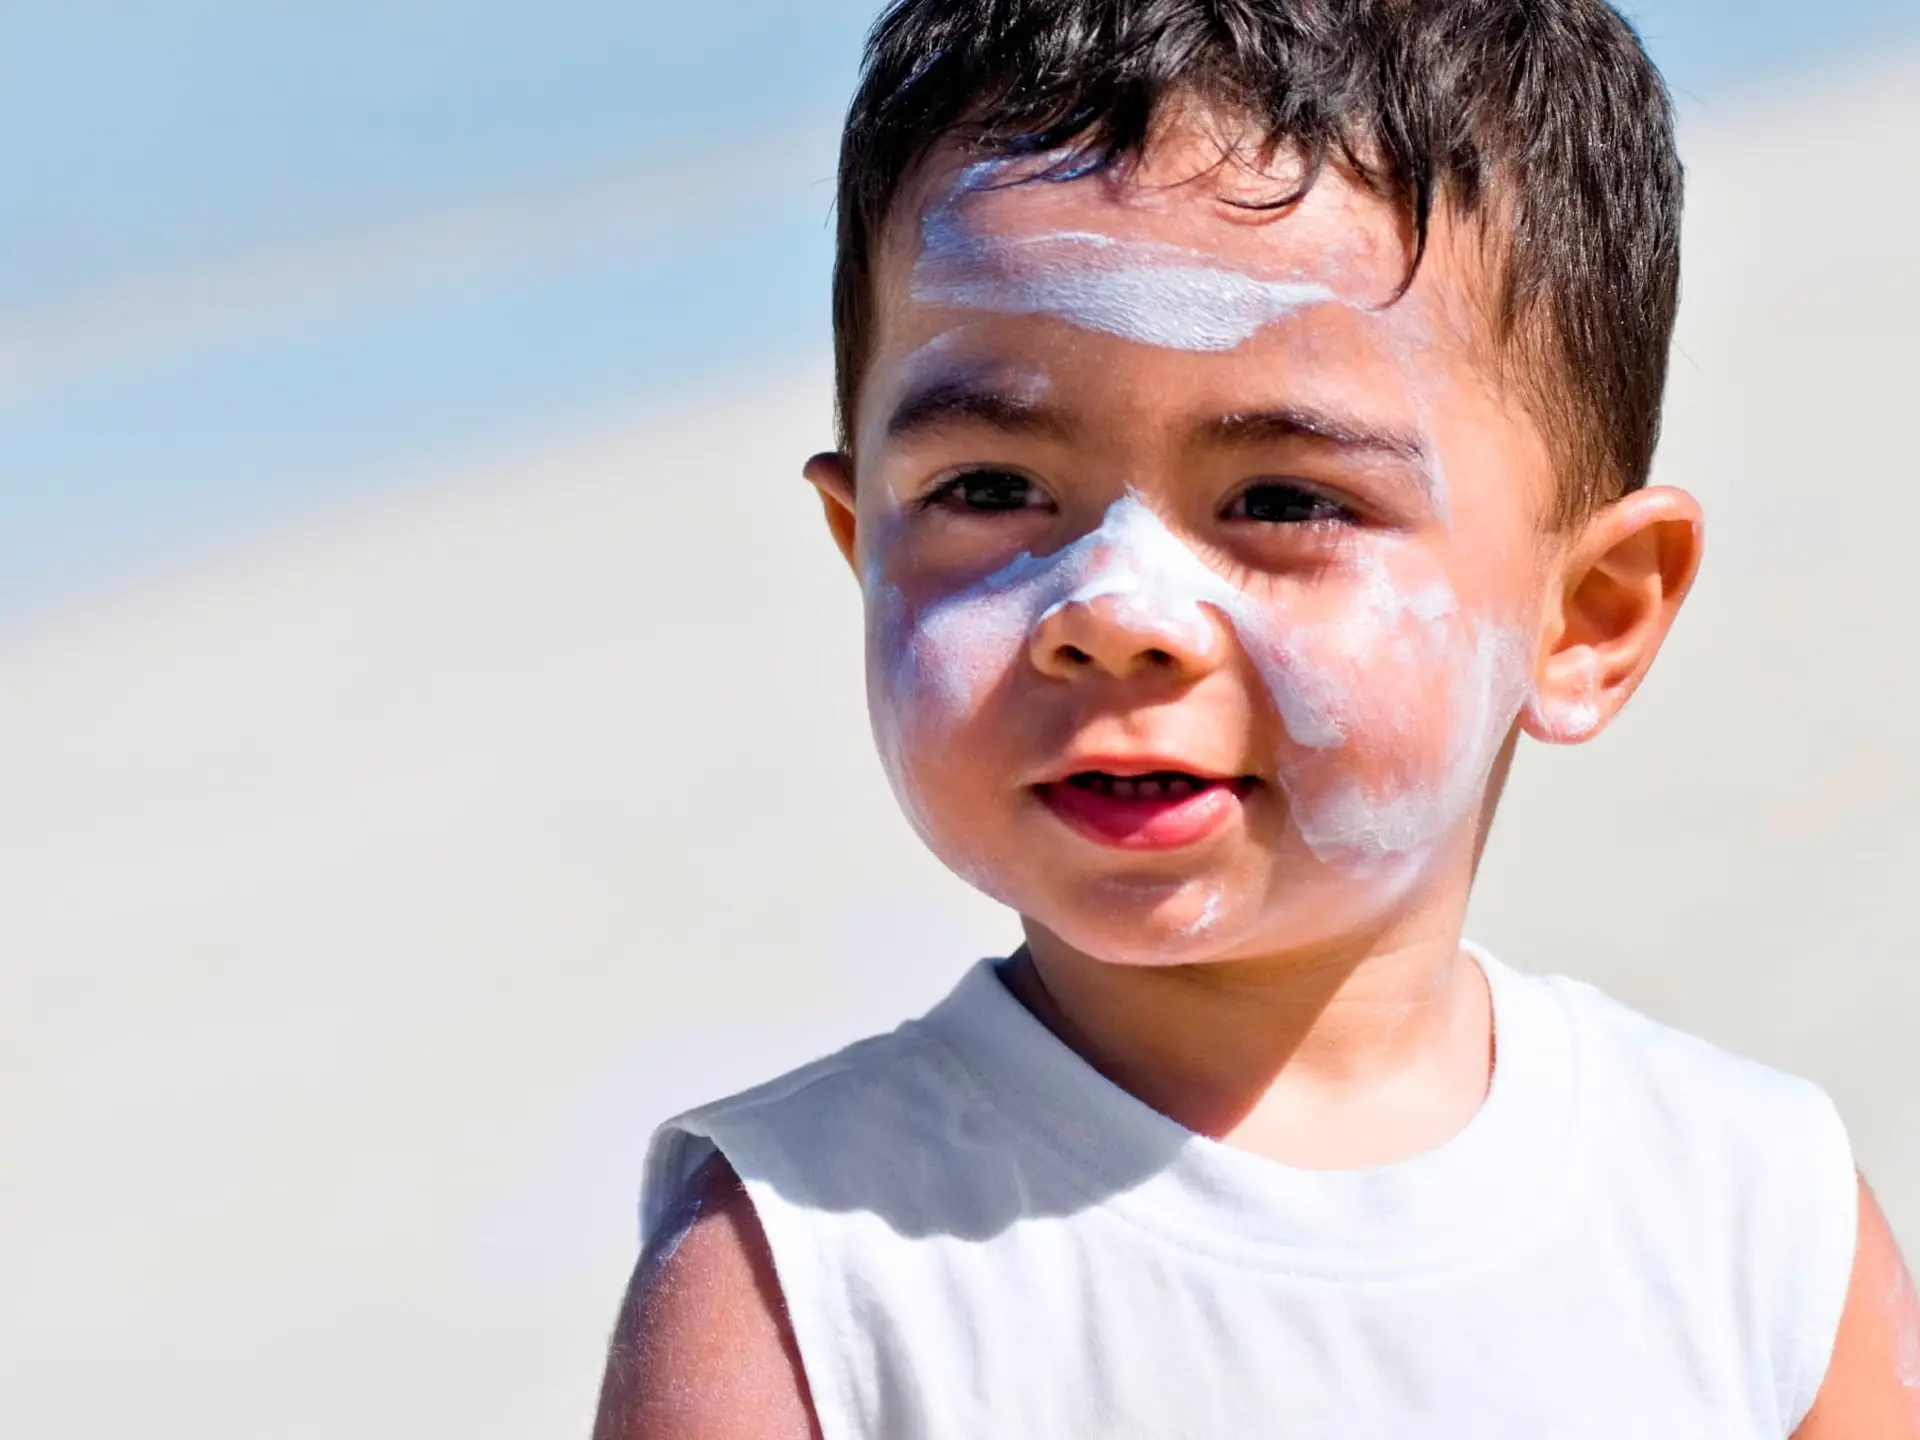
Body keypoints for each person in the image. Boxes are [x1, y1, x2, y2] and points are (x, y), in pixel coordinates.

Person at [593, 1, 1920, 1434]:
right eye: (986, 490)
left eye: (1285, 500)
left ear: (1588, 614)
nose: (1112, 609)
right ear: (863, 542)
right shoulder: (805, 1271)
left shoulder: (1753, 1219)